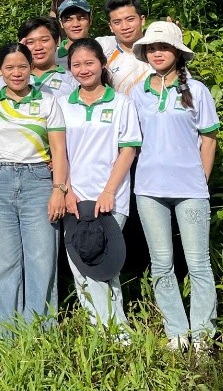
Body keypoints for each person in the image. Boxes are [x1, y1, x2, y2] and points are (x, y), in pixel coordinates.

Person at [129, 21, 221, 352]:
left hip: (191, 190)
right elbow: (131, 142)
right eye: (152, 48)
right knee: (162, 263)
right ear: (144, 53)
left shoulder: (197, 91)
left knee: (198, 264)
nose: (157, 52)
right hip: (149, 189)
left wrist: (201, 180)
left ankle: (203, 335)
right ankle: (176, 332)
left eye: (163, 47)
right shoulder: (137, 93)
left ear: (177, 53)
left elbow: (208, 140)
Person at [55, 38, 141, 338]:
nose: (83, 69)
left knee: (106, 264)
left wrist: (108, 191)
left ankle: (119, 333)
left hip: (110, 198)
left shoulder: (121, 103)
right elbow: (59, 152)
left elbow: (127, 150)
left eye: (89, 63)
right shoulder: (63, 105)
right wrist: (65, 190)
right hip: (75, 199)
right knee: (81, 264)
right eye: (76, 64)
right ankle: (98, 329)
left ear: (101, 64)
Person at [0, 42, 70, 333]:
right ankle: (10, 332)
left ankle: (40, 332)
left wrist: (59, 189)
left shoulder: (47, 102)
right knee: (4, 261)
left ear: (32, 68)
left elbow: (59, 150)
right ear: (0, 71)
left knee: (42, 259)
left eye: (22, 66)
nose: (16, 73)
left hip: (38, 183)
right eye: (9, 67)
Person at [96, 0, 152, 95]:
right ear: (111, 26)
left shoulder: (160, 54)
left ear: (142, 20)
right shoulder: (106, 61)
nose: (125, 26)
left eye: (130, 19)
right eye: (117, 22)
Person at [14, 17, 77, 97]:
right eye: (30, 42)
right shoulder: (12, 78)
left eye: (44, 40)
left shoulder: (72, 80)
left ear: (56, 42)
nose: (38, 47)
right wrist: (16, 52)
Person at [55, 0, 92, 70]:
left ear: (90, 20)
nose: (76, 24)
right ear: (61, 23)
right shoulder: (52, 59)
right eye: (68, 20)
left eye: (81, 18)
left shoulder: (103, 51)